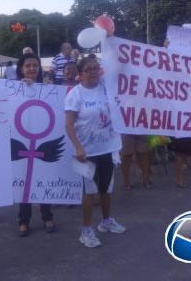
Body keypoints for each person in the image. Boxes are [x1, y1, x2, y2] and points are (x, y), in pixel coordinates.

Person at [65, 55, 125, 248]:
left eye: (95, 68)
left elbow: (122, 68)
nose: (93, 72)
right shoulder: (76, 94)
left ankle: (106, 222)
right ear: (80, 74)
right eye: (88, 69)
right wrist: (78, 148)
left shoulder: (107, 89)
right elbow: (69, 125)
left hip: (108, 149)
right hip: (88, 153)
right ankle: (86, 230)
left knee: (106, 190)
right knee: (90, 193)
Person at [15, 53, 56, 236]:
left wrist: (48, 91)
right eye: (28, 65)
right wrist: (22, 89)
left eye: (35, 65)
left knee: (42, 178)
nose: (32, 69)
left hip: (43, 139)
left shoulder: (48, 88)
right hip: (23, 141)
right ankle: (23, 220)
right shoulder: (14, 88)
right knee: (25, 181)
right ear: (21, 69)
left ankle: (47, 216)